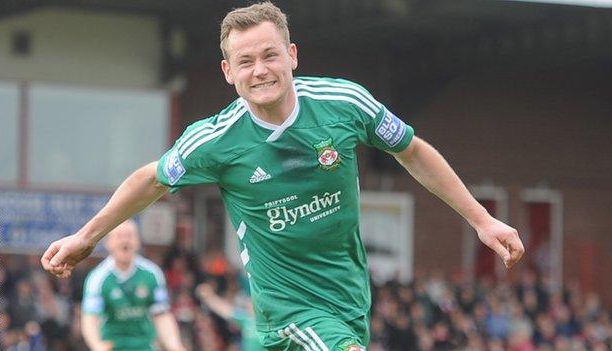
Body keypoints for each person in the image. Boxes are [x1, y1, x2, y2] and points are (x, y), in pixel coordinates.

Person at [41, 2, 525, 350]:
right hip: (287, 308)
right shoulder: (213, 140)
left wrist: (482, 220)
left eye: (270, 55)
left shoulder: (344, 104)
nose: (260, 70)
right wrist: (87, 236)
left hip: (350, 296)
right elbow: (149, 180)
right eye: (246, 61)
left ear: (292, 54)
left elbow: (413, 152)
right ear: (228, 71)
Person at [80, 219, 186, 351]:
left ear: (138, 242)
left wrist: (175, 346)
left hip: (144, 346)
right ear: (108, 243)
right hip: (112, 346)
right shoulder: (98, 278)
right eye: (119, 236)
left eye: (129, 236)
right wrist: (96, 345)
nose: (125, 241)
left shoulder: (152, 274)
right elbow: (90, 318)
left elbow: (161, 314)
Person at [196, 282, 264, 351]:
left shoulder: (269, 323)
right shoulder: (247, 320)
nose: (248, 304)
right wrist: (209, 297)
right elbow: (226, 310)